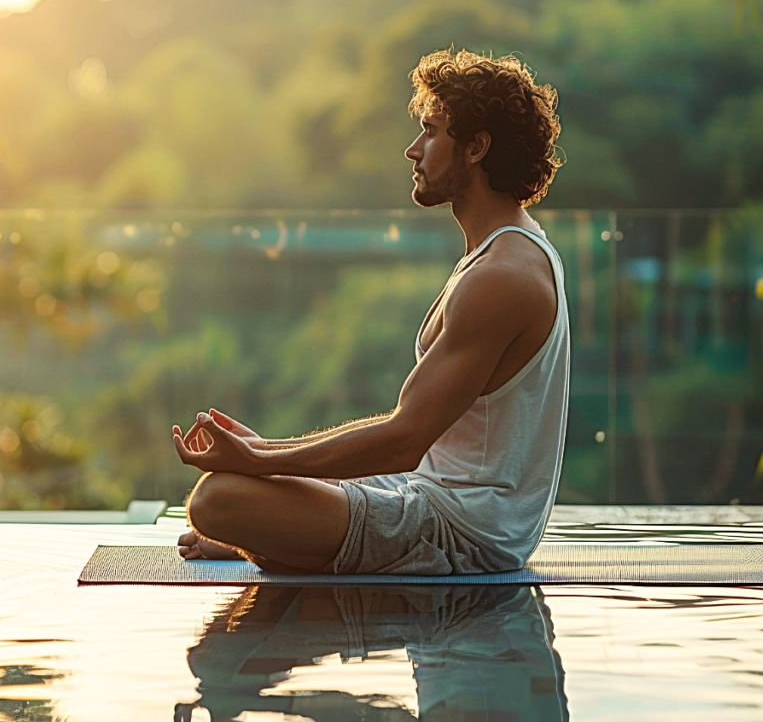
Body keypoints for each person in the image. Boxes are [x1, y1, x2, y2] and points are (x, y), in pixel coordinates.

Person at [172, 48, 569, 575]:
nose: (412, 150)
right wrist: (265, 449)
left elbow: (403, 441)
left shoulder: (501, 278)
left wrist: (259, 462)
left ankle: (270, 536)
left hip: (465, 531)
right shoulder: (503, 252)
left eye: (430, 132)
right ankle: (276, 537)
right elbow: (406, 447)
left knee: (215, 501)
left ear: (475, 148)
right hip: (428, 492)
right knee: (243, 489)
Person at [175, 584, 569, 722]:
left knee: (214, 661)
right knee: (214, 662)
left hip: (459, 602)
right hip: (466, 626)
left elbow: (367, 716)